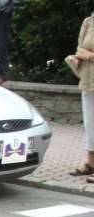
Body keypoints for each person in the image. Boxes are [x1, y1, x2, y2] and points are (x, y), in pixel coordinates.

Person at [69, 13, 94, 178]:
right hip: (88, 81)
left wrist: (89, 56)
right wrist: (77, 57)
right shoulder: (88, 21)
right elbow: (79, 48)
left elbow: (86, 53)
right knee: (90, 125)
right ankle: (91, 163)